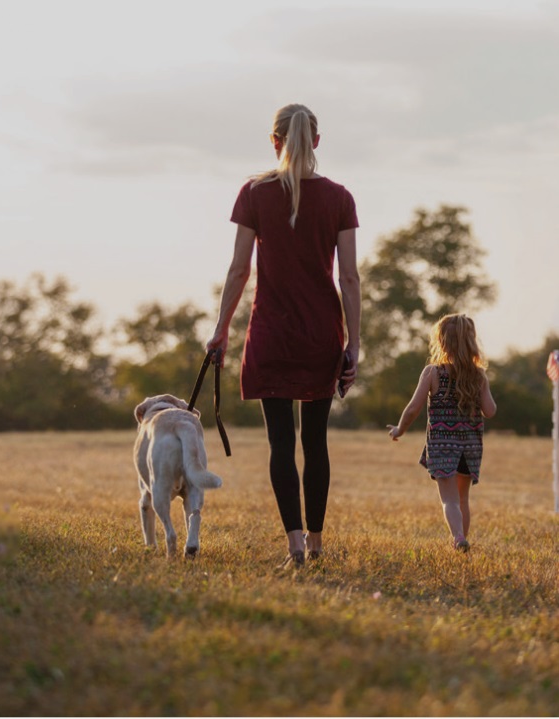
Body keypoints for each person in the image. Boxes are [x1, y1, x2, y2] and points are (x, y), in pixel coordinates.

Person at [206, 103, 361, 567]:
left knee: (280, 443)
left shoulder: (254, 194)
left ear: (274, 141)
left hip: (271, 334)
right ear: (316, 141)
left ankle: (293, 544)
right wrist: (354, 344)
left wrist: (220, 331)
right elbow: (349, 279)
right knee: (316, 443)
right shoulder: (339, 197)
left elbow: (239, 270)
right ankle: (315, 544)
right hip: (320, 335)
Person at [387, 314, 497, 551]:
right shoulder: (478, 376)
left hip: (442, 446)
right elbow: (490, 411)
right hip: (470, 447)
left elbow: (413, 408)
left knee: (449, 500)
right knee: (463, 498)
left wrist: (400, 429)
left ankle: (458, 538)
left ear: (442, 343)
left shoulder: (433, 373)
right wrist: (482, 389)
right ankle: (462, 540)